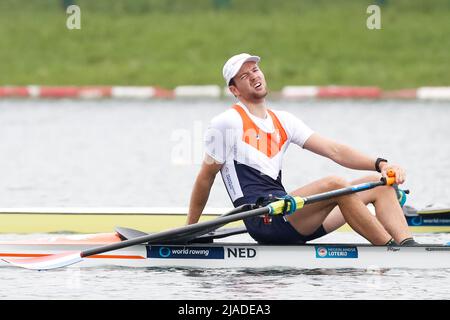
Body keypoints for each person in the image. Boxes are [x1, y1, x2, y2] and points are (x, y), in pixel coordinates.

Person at [187, 53, 417, 246]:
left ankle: (408, 247)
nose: (254, 76)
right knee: (335, 184)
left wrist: (382, 164)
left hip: (290, 212)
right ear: (234, 90)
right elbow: (205, 178)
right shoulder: (226, 122)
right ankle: (390, 251)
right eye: (244, 76)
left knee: (381, 182)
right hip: (264, 220)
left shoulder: (283, 120)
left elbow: (335, 150)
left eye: (255, 70)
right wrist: (191, 230)